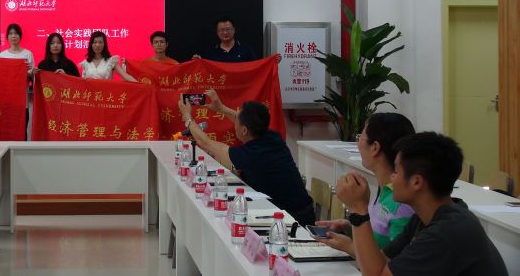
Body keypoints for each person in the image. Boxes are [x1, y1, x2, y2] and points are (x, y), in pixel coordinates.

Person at [335, 132, 508, 276]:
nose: (392, 177)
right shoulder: (426, 217)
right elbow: (382, 262)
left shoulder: (445, 233)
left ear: (416, 182)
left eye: (396, 171)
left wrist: (358, 209)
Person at [178, 89, 315, 225]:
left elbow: (206, 143)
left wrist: (187, 118)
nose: (234, 120)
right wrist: (221, 108)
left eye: (237, 119)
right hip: (299, 210)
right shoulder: (271, 137)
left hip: (295, 220)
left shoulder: (252, 155)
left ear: (244, 130)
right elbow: (246, 122)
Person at [316, 113, 416, 255]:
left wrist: (350, 247)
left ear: (375, 147)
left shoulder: (402, 203)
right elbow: (378, 237)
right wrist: (350, 227)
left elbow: (395, 262)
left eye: (360, 138)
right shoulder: (385, 190)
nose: (358, 145)